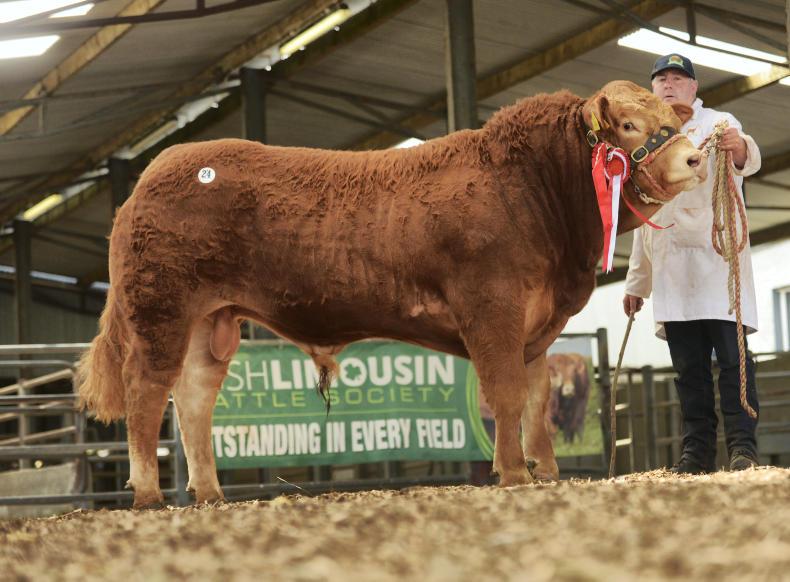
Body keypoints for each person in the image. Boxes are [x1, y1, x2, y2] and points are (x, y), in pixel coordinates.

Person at [623, 54, 761, 474]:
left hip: (718, 262)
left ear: (693, 87)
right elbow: (642, 212)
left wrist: (741, 148)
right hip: (671, 270)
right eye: (661, 78)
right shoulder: (643, 136)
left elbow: (745, 159)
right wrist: (636, 284)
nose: (669, 84)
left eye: (678, 78)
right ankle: (697, 454)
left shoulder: (719, 123)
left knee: (734, 362)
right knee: (688, 370)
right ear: (652, 87)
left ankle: (742, 449)